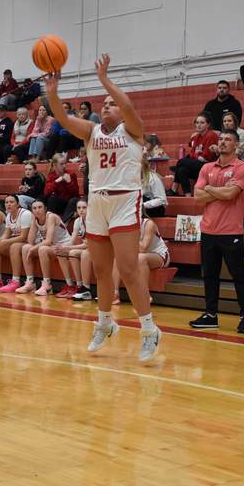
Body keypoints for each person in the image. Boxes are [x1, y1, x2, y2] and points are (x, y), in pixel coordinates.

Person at [45, 53, 161, 362]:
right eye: (104, 103)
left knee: (127, 268)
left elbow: (128, 106)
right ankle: (105, 322)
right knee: (99, 269)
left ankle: (149, 329)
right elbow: (63, 118)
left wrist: (105, 80)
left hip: (125, 200)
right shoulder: (91, 132)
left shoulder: (133, 129)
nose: (107, 105)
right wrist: (53, 93)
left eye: (111, 103)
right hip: (97, 200)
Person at [189, 130, 244, 334]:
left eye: (228, 140)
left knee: (238, 275)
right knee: (210, 275)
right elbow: (197, 197)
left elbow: (231, 194)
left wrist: (208, 189)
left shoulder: (242, 168)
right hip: (208, 230)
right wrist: (219, 191)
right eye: (221, 139)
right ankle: (211, 315)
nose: (223, 142)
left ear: (236, 144)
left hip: (231, 231)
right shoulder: (207, 167)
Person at [15, 199, 72, 295]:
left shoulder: (51, 217)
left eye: (40, 207)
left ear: (45, 208)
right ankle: (30, 282)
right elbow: (30, 240)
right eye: (34, 208)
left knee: (42, 249)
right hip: (52, 246)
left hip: (64, 245)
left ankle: (47, 285)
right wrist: (33, 222)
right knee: (25, 247)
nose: (37, 210)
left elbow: (48, 240)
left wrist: (33, 248)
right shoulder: (35, 219)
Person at [0, 195, 33, 290]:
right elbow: (6, 234)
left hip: (31, 241)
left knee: (14, 247)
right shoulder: (8, 215)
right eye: (6, 202)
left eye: (11, 202)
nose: (8, 204)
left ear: (18, 204)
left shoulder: (25, 214)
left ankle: (16, 281)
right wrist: (0, 240)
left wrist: (6, 241)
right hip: (19, 241)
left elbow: (24, 236)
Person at [111, 217, 170, 304]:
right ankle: (114, 294)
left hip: (159, 255)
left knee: (140, 258)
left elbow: (143, 248)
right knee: (118, 257)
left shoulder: (149, 224)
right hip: (137, 254)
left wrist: (128, 236)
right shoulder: (124, 226)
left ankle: (145, 295)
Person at [170, 112, 219, 196]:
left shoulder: (211, 135)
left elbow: (207, 156)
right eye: (197, 123)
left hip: (209, 166)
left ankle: (174, 188)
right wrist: (197, 157)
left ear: (208, 125)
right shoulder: (196, 137)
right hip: (198, 164)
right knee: (182, 170)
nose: (198, 125)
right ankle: (188, 195)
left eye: (202, 123)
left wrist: (197, 157)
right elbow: (192, 154)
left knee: (181, 162)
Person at [55, 198, 89, 298]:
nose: (81, 210)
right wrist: (63, 247)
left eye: (84, 207)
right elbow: (72, 240)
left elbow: (88, 245)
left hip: (95, 248)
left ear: (89, 209)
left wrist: (68, 248)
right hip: (86, 248)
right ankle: (70, 285)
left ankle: (80, 286)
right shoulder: (78, 221)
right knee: (60, 252)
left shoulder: (93, 221)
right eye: (79, 208)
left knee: (73, 252)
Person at [43, 153, 79, 217]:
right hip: (58, 204)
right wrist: (56, 181)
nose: (64, 166)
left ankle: (64, 224)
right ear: (55, 165)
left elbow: (76, 194)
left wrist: (69, 182)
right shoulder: (51, 176)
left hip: (69, 203)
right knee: (52, 198)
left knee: (73, 200)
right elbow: (46, 193)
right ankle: (50, 220)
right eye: (61, 164)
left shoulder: (71, 174)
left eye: (65, 163)